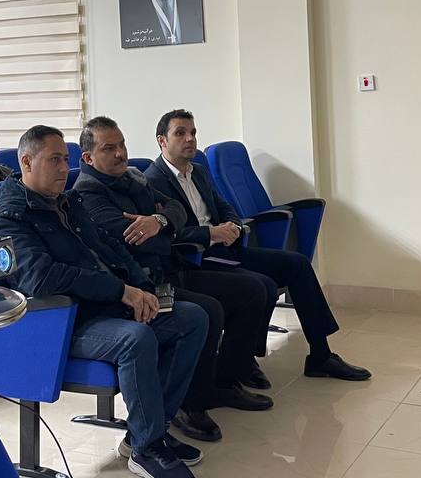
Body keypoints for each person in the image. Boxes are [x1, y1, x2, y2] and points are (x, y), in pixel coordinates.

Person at [0, 125, 208, 478]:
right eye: (54, 160)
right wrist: (120, 291)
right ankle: (146, 449)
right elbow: (42, 277)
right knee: (136, 338)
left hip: (105, 308)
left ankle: (151, 431)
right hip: (65, 322)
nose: (65, 168)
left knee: (192, 318)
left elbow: (111, 246)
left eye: (66, 159)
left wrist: (140, 288)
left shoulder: (68, 203)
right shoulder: (11, 218)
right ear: (26, 162)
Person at [75, 116, 275, 442]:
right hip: (145, 281)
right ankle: (189, 404)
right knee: (208, 310)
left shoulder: (132, 177)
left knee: (251, 290)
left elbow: (175, 208)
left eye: (122, 144)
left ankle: (224, 382)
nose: (121, 153)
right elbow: (133, 242)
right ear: (88, 157)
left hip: (170, 269)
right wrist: (165, 231)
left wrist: (157, 220)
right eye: (109, 148)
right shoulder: (88, 193)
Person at [146, 109, 371, 384]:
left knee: (297, 264)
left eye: (192, 133)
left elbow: (224, 206)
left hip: (225, 248)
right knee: (262, 284)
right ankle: (243, 361)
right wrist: (210, 233)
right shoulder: (153, 180)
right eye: (180, 133)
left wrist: (233, 225)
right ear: (162, 141)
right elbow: (168, 233)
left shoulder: (198, 172)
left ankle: (321, 355)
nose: (190, 139)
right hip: (196, 257)